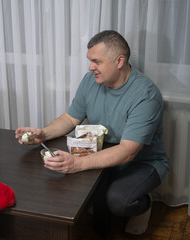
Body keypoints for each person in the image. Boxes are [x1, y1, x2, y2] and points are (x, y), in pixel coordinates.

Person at [15, 30, 169, 235]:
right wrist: (42, 134)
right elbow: (70, 119)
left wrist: (77, 164)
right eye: (90, 61)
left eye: (96, 61)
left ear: (119, 61)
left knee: (118, 201)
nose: (90, 67)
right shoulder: (90, 80)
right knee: (67, 186)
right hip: (101, 150)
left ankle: (144, 205)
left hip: (142, 161)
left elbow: (128, 151)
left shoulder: (146, 95)